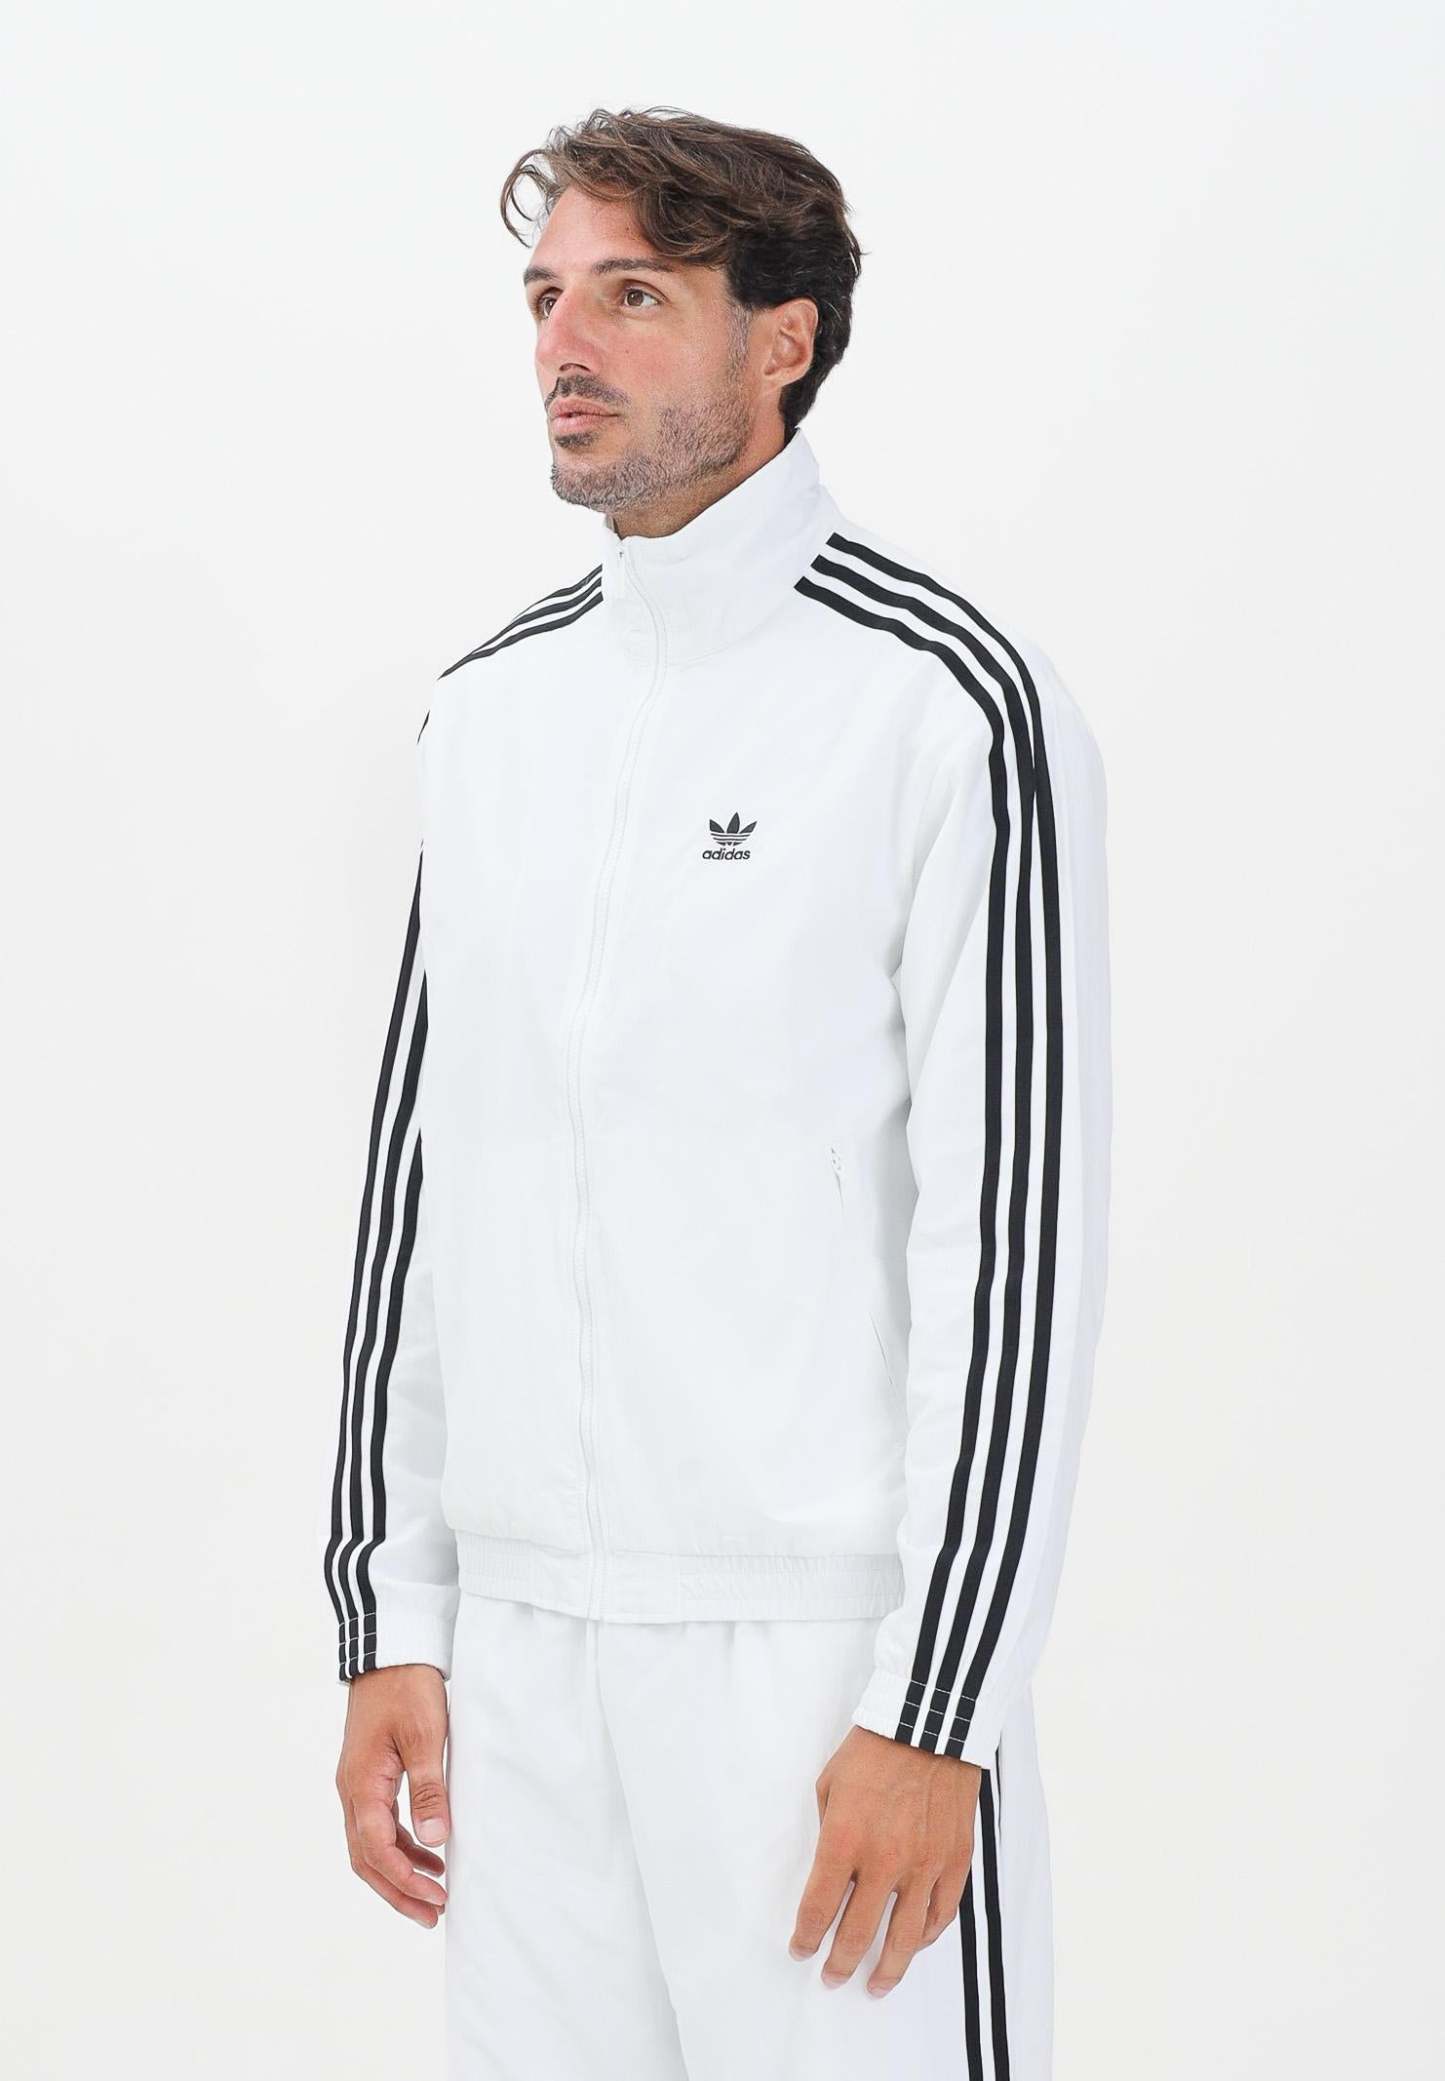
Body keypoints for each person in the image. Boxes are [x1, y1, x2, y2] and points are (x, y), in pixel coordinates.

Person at [323, 104, 1112, 2081]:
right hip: (519, 1680)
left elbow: (1014, 1241)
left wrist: (935, 1703)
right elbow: (421, 1196)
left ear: (784, 338)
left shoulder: (941, 701)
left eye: (633, 297)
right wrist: (393, 1617)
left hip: (821, 1671)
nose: (562, 348)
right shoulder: (489, 713)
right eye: (544, 299)